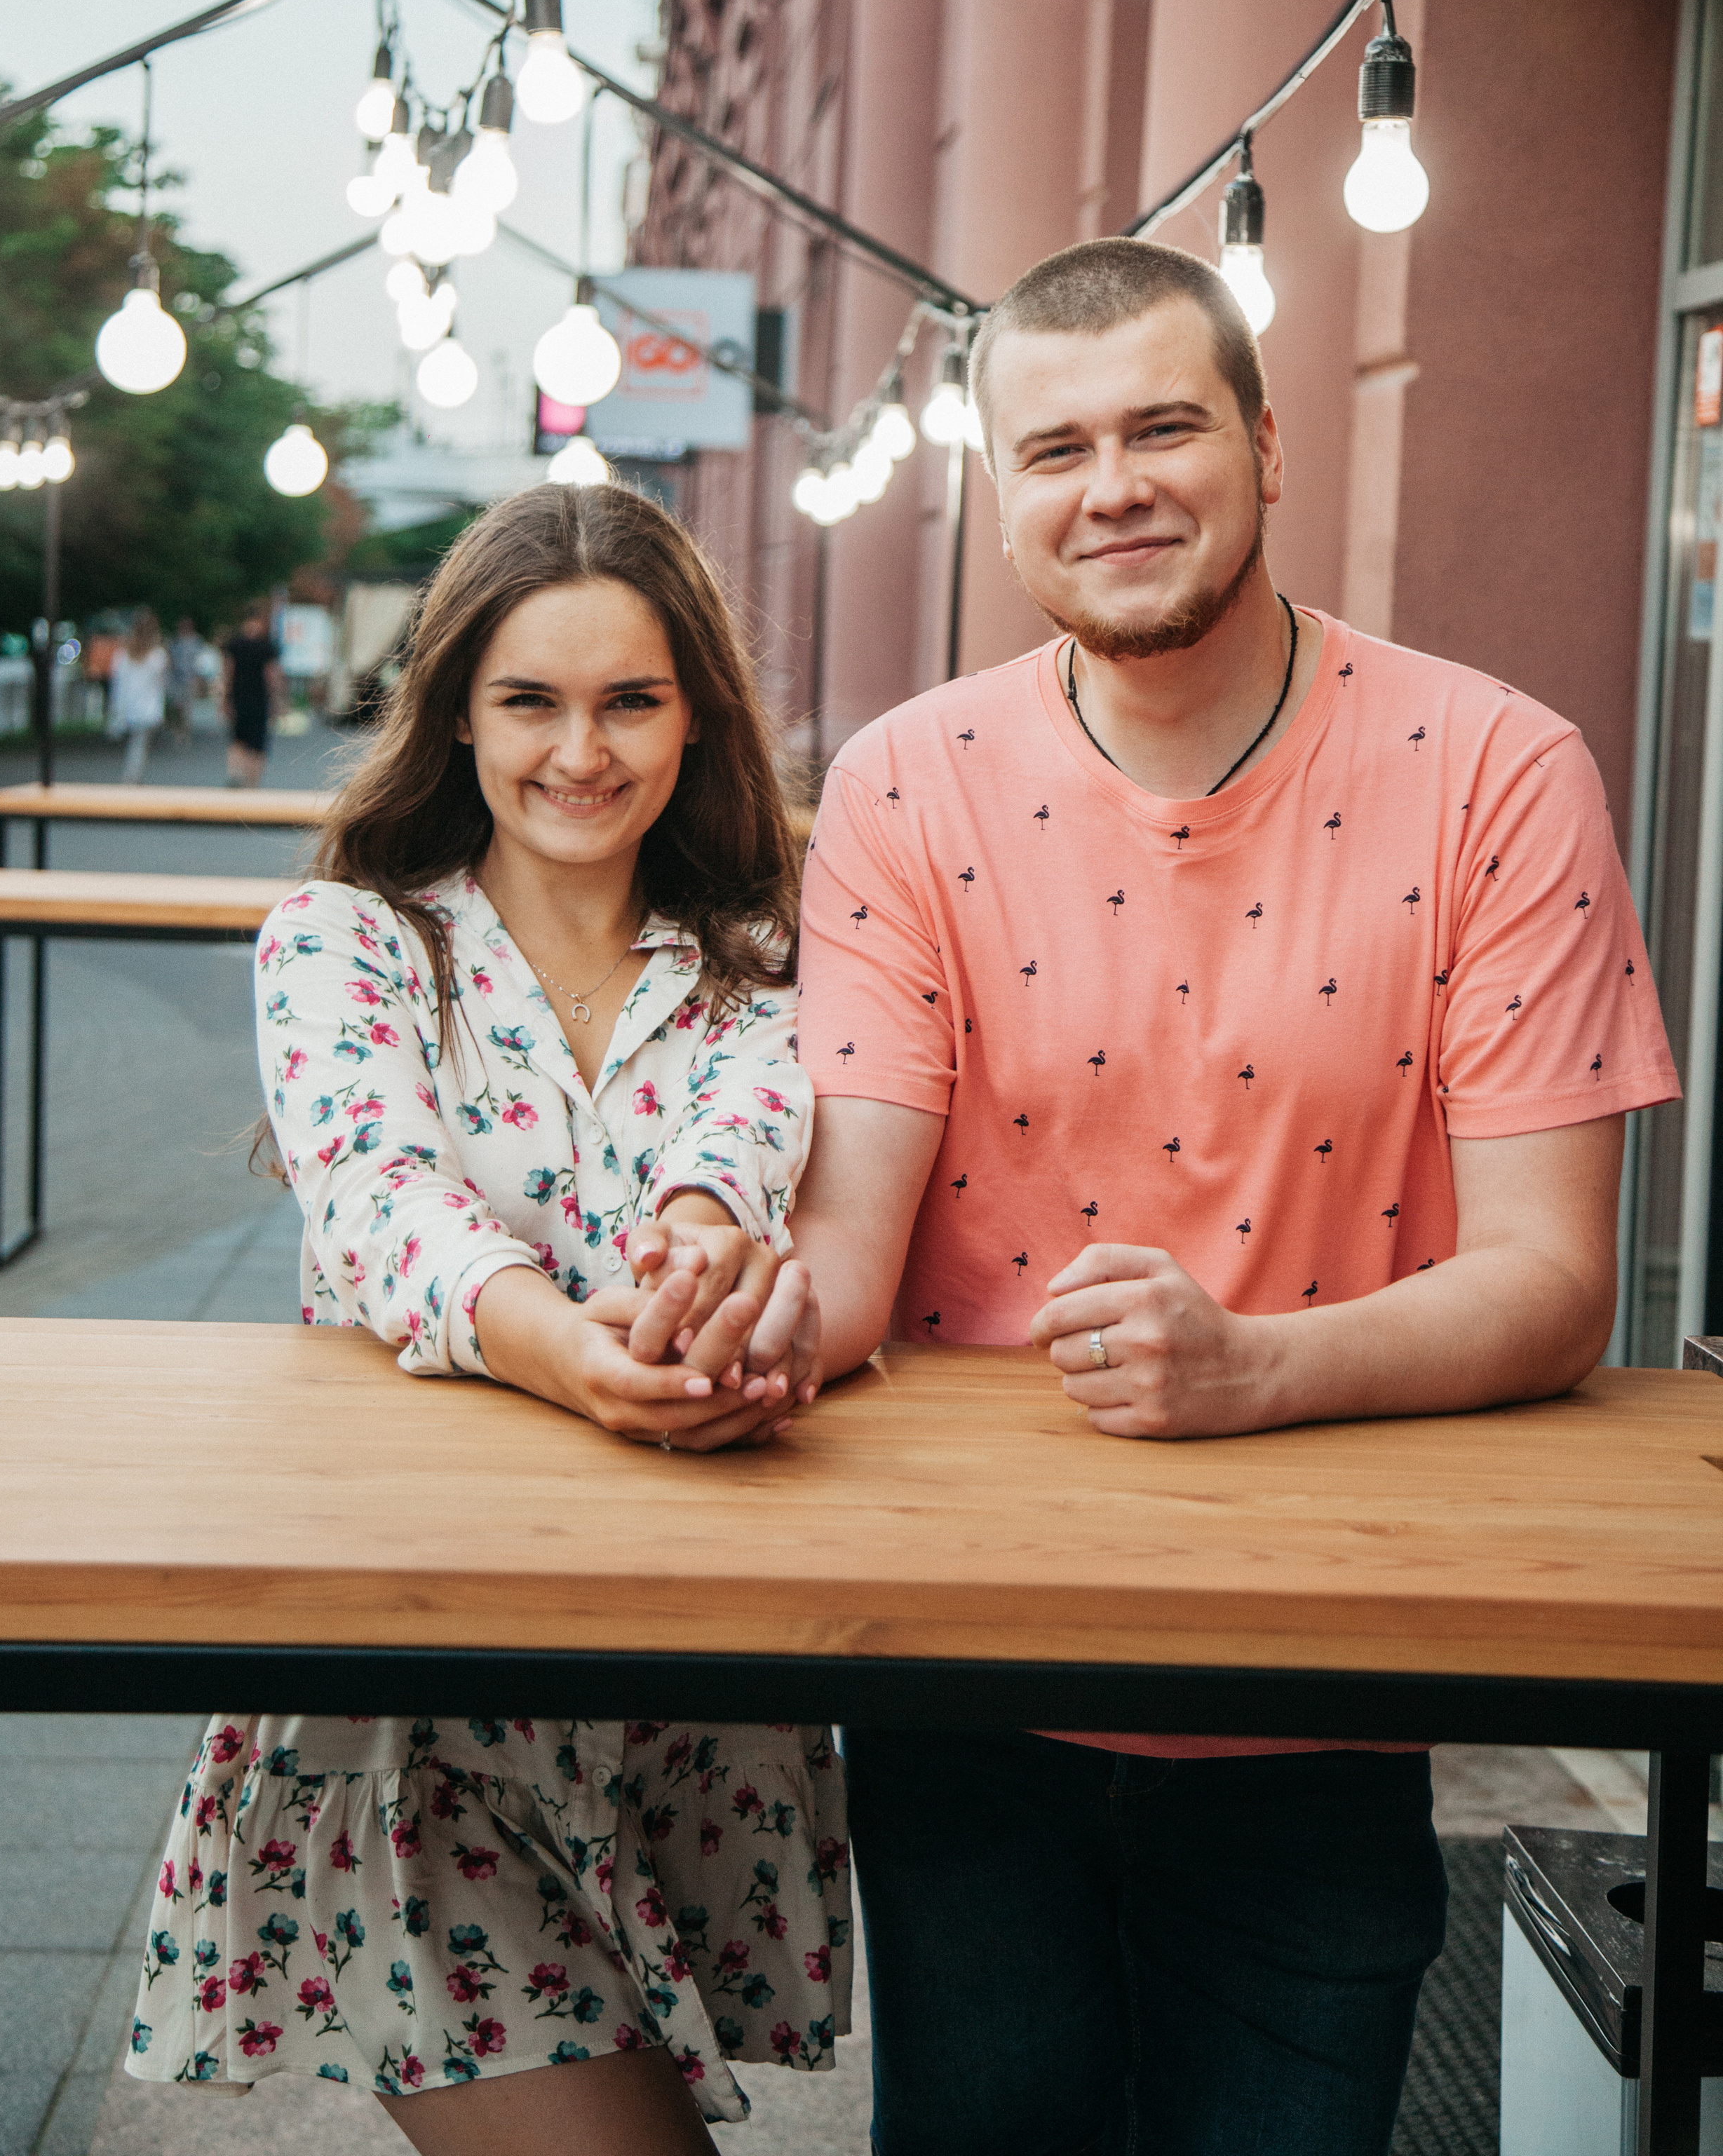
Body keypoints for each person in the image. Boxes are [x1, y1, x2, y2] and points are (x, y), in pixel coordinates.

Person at [747, 237, 1680, 2156]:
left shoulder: (1501, 769)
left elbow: (1557, 1279)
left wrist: (1253, 1372)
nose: (1116, 486)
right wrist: (723, 1311)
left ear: (1268, 445)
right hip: (963, 1670)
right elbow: (845, 1248)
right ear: (1003, 498)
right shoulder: (906, 786)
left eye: (1165, 426)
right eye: (1058, 448)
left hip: (1324, 1664)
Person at [125, 484, 847, 2150]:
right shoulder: (347, 939)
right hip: (416, 1684)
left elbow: (731, 1159)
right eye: (529, 697)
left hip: (676, 1685)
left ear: (697, 713)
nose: (578, 748)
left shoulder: (764, 957)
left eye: (630, 698)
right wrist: (590, 1357)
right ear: (455, 706)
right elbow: (385, 1210)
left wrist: (688, 1261)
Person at [221, 602, 286, 787]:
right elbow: (271, 675)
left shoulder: (234, 644)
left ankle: (235, 773)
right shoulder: (266, 647)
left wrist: (225, 699)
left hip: (238, 697)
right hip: (259, 698)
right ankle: (252, 785)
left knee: (237, 739)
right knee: (257, 743)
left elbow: (228, 673)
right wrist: (278, 700)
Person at [107, 607, 168, 784]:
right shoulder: (157, 656)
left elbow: (117, 680)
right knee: (139, 744)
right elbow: (160, 681)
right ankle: (132, 778)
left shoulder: (124, 654)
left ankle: (132, 776)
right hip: (147, 707)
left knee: (136, 743)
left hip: (127, 703)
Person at [167, 616, 205, 747]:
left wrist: (199, 679)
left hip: (190, 678)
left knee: (187, 709)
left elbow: (200, 662)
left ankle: (185, 734)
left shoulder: (196, 641)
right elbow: (170, 659)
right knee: (177, 707)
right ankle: (178, 732)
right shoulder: (175, 641)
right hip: (176, 679)